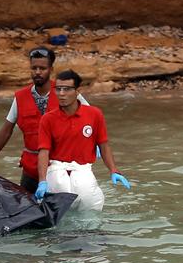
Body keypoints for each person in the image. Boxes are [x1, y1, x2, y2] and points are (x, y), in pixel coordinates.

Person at [0, 46, 90, 193]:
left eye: (42, 68)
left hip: (61, 168)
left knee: (64, 212)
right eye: (34, 68)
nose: (38, 72)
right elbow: (7, 130)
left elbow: (90, 119)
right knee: (25, 209)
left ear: (51, 69)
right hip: (31, 169)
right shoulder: (20, 97)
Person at [35, 70, 131, 211]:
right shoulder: (48, 119)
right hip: (56, 171)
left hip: (83, 171)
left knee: (91, 210)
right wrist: (42, 181)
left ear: (77, 91)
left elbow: (103, 144)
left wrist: (113, 171)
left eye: (67, 89)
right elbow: (43, 151)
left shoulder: (94, 114)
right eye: (58, 89)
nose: (61, 94)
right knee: (58, 216)